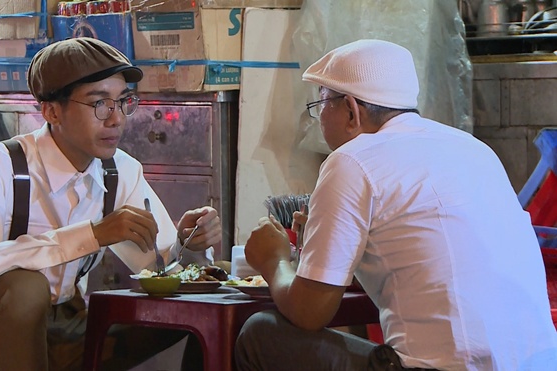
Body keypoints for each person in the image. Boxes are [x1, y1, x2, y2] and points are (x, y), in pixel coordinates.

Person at [234, 39, 557, 370]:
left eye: (321, 107)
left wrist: (273, 259)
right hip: (541, 363)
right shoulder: (472, 149)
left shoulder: (352, 159)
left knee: (259, 333)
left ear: (350, 109)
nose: (320, 121)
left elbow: (308, 312)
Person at [0, 37, 221, 371]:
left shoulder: (121, 171)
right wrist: (91, 235)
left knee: (190, 311)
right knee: (25, 286)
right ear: (51, 110)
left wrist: (188, 243)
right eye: (99, 103)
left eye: (123, 102)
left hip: (70, 330)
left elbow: (160, 265)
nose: (116, 119)